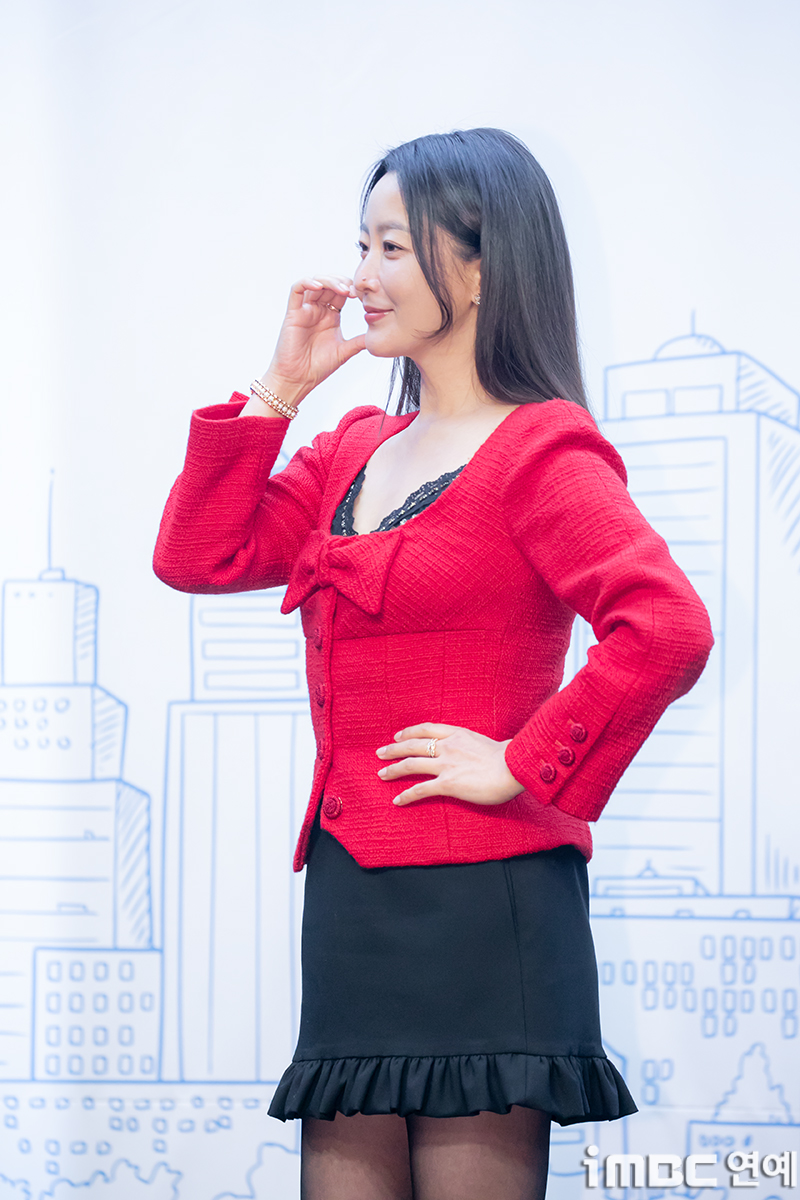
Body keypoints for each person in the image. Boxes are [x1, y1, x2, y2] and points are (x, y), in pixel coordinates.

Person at [154, 128, 714, 1200]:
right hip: (353, 897)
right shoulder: (352, 448)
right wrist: (280, 386)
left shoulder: (542, 449)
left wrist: (520, 761)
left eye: (391, 248)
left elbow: (666, 627)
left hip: (488, 899)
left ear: (481, 266)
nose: (359, 277)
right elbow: (196, 556)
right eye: (360, 245)